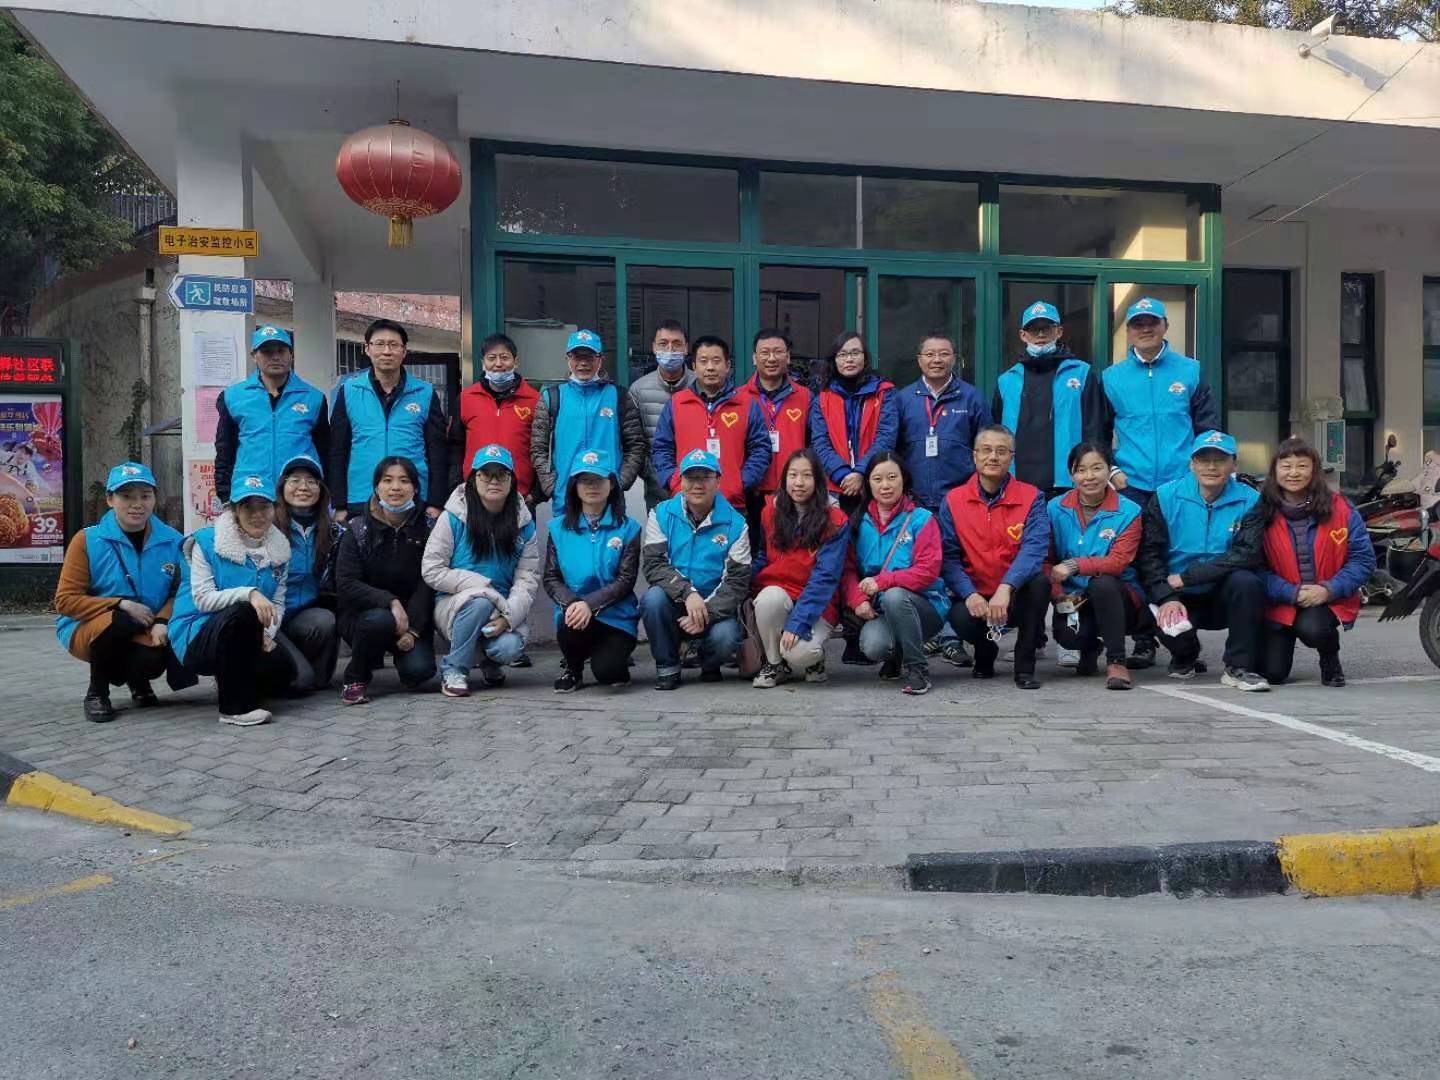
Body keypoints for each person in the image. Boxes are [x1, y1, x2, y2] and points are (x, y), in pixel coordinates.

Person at [1100, 298, 1218, 670]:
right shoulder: (1112, 377)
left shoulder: (1190, 371)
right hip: (1132, 485)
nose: (1145, 329)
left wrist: (1201, 474)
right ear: (1128, 330)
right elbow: (1097, 433)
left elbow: (1207, 429)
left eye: (1152, 322)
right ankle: (1144, 639)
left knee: (1175, 557)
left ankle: (1181, 637)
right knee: (1136, 563)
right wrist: (1111, 471)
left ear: (1166, 326)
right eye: (1138, 323)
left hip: (1180, 484)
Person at [54, 462, 187, 722]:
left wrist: (162, 620)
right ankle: (97, 693)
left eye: (145, 496)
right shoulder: (87, 540)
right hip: (91, 627)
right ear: (110, 499)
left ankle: (138, 681)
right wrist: (120, 604)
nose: (137, 504)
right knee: (120, 621)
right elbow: (65, 601)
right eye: (126, 496)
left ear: (154, 498)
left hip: (148, 626)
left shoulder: (173, 540)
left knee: (154, 660)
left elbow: (181, 591)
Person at [1137, 431, 1269, 690]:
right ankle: (1185, 654)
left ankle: (1238, 667)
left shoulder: (1252, 500)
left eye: (1220, 460)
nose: (1211, 467)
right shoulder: (1165, 497)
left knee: (1247, 582)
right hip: (1177, 593)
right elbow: (1149, 554)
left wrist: (1188, 577)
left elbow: (1246, 554)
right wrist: (1166, 596)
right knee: (1173, 631)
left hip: (1221, 590)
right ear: (1191, 464)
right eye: (1203, 459)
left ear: (1234, 465)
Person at [166, 473, 296, 726]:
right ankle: (234, 708)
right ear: (234, 510)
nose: (258, 514)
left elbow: (278, 603)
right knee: (244, 610)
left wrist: (265, 633)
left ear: (275, 509)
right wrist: (250, 593)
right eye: (248, 507)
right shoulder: (206, 542)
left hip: (247, 632)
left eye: (265, 506)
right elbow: (203, 599)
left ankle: (236, 678)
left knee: (287, 674)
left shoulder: (280, 549)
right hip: (197, 635)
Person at [894, 333, 988, 668]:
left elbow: (986, 447)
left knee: (954, 566)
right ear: (919, 359)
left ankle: (951, 638)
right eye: (930, 354)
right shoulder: (903, 399)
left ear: (954, 358)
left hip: (959, 501)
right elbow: (894, 450)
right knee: (920, 568)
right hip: (916, 502)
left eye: (944, 354)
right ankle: (926, 632)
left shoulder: (971, 397)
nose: (937, 360)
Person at [422, 444, 539, 697]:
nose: (493, 481)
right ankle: (454, 670)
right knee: (480, 603)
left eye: (501, 474)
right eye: (485, 474)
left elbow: (527, 579)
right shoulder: (452, 517)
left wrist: (508, 618)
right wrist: (480, 587)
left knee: (508, 648)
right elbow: (432, 569)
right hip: (456, 605)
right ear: (473, 479)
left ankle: (490, 663)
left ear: (511, 480)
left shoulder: (524, 524)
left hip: (502, 609)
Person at [939, 425, 1050, 690]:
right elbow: (948, 557)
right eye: (986, 450)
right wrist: (969, 594)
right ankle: (984, 650)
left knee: (1040, 584)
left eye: (1001, 451)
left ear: (1012, 457)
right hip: (976, 593)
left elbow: (1034, 549)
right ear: (975, 455)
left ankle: (1025, 665)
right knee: (959, 616)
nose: (993, 457)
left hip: (1014, 593)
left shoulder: (1032, 497)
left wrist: (1006, 587)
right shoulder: (953, 500)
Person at [1257, 437, 1375, 688]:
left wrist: (1327, 590)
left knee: (1314, 630)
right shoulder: (1260, 510)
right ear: (1275, 470)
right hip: (1279, 600)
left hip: (1324, 599)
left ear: (1314, 470)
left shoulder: (1341, 508)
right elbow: (1253, 567)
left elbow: (1363, 560)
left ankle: (1329, 656)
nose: (1294, 473)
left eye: (1302, 466)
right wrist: (1290, 592)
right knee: (1272, 674)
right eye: (1286, 466)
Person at [842, 452, 950, 695]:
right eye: (877, 479)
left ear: (904, 480)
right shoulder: (858, 522)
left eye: (892, 477)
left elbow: (927, 571)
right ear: (868, 483)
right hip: (881, 608)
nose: (885, 485)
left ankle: (918, 668)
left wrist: (883, 581)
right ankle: (896, 654)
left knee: (895, 596)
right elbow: (847, 570)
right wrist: (857, 600)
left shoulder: (922, 519)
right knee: (874, 645)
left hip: (926, 606)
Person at [641, 448, 750, 689]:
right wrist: (688, 593)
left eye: (705, 477)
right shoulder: (660, 514)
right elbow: (654, 564)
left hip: (715, 607)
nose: (697, 485)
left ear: (718, 481)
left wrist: (706, 612)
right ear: (681, 481)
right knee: (652, 600)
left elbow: (737, 582)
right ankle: (668, 666)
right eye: (691, 477)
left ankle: (709, 662)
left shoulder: (737, 524)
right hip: (674, 601)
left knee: (726, 637)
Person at [1047, 442, 1150, 690]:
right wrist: (1058, 594)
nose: (1089, 476)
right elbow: (1045, 560)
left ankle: (1116, 662)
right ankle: (1090, 647)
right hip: (1074, 598)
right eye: (1081, 470)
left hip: (1119, 598)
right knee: (1069, 637)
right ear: (1071, 474)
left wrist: (1074, 565)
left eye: (1097, 468)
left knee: (1103, 583)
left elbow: (1118, 561)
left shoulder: (1129, 511)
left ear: (1109, 470)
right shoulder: (1054, 508)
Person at [334, 456, 437, 705]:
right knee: (379, 620)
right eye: (387, 480)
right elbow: (346, 582)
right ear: (376, 487)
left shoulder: (429, 528)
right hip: (365, 616)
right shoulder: (357, 528)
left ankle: (401, 657)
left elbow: (429, 581)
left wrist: (413, 630)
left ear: (415, 488)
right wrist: (389, 601)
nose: (395, 488)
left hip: (411, 619)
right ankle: (356, 676)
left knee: (420, 671)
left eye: (404, 481)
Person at [542, 448, 643, 693]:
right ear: (574, 486)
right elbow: (551, 577)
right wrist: (574, 603)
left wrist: (590, 604)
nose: (592, 486)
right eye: (585, 480)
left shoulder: (628, 528)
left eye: (599, 479)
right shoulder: (558, 528)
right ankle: (573, 669)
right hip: (575, 613)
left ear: (612, 484)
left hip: (616, 617)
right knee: (569, 625)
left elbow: (626, 579)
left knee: (608, 672)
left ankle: (611, 659)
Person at [329, 319, 448, 521]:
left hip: (413, 498)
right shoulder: (349, 391)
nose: (387, 351)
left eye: (394, 345)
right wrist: (339, 503)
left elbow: (437, 452)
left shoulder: (425, 393)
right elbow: (337, 451)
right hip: (361, 497)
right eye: (379, 344)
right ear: (367, 349)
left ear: (404, 351)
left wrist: (435, 502)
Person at [750, 448, 849, 688]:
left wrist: (798, 623)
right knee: (768, 599)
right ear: (784, 479)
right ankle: (774, 664)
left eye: (807, 475)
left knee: (799, 653)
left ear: (818, 481)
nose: (799, 482)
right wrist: (745, 579)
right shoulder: (769, 513)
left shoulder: (835, 520)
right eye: (793, 475)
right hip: (781, 591)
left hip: (818, 601)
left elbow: (825, 578)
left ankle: (814, 662)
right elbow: (764, 555)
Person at [993, 302, 1106, 497]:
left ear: (1059, 331)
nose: (1040, 334)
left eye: (1046, 328)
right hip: (1016, 485)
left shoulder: (1081, 374)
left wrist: (1093, 473)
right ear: (1023, 335)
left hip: (1068, 483)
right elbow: (996, 432)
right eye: (1033, 329)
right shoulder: (1006, 381)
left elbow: (1094, 429)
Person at [651, 335, 771, 512]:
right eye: (703, 361)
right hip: (685, 502)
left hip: (732, 504)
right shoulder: (677, 403)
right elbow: (661, 448)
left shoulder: (747, 404)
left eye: (716, 361)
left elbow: (761, 449)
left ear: (727, 365)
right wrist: (674, 481)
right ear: (694, 366)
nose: (710, 367)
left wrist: (740, 483)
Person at [530, 328, 646, 508]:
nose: (583, 363)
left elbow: (635, 446)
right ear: (568, 359)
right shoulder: (552, 397)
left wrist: (620, 482)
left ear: (600, 360)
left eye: (590, 357)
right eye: (577, 357)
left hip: (609, 499)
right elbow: (539, 448)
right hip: (565, 498)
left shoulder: (619, 396)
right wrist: (551, 486)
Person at [213, 325, 329, 505]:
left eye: (281, 351)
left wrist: (326, 494)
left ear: (291, 354)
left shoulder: (314, 398)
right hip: (250, 493)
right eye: (267, 351)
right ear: (254, 355)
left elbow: (325, 451)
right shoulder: (233, 397)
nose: (275, 357)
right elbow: (224, 450)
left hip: (299, 495)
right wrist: (225, 495)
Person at [271, 454, 342, 693]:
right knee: (299, 682)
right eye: (295, 480)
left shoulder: (332, 532)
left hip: (302, 617)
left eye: (311, 481)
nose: (303, 487)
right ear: (282, 487)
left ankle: (313, 673)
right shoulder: (267, 526)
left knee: (326, 619)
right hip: (270, 619)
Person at [809, 330, 898, 512]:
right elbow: (820, 442)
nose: (849, 359)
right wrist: (842, 474)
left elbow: (886, 437)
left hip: (875, 483)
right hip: (835, 486)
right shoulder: (822, 399)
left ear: (865, 358)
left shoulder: (884, 393)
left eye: (855, 353)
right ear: (834, 360)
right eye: (842, 354)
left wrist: (861, 472)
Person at [453, 333, 542, 507]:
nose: (498, 364)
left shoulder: (535, 400)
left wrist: (536, 494)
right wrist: (457, 486)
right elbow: (455, 447)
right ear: (483, 363)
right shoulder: (466, 398)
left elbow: (543, 449)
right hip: (474, 496)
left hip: (520, 498)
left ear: (516, 362)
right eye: (492, 358)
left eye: (504, 357)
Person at [738, 329, 812, 507]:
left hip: (794, 490)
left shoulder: (805, 396)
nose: (771, 358)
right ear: (754, 358)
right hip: (750, 491)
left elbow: (813, 444)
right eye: (765, 352)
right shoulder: (738, 398)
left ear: (788, 357)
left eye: (778, 352)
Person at [628, 320, 695, 511]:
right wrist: (650, 473)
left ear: (686, 348)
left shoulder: (699, 385)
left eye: (677, 344)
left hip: (699, 484)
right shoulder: (638, 389)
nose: (670, 350)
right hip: (657, 489)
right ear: (654, 348)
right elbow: (633, 442)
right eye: (663, 344)